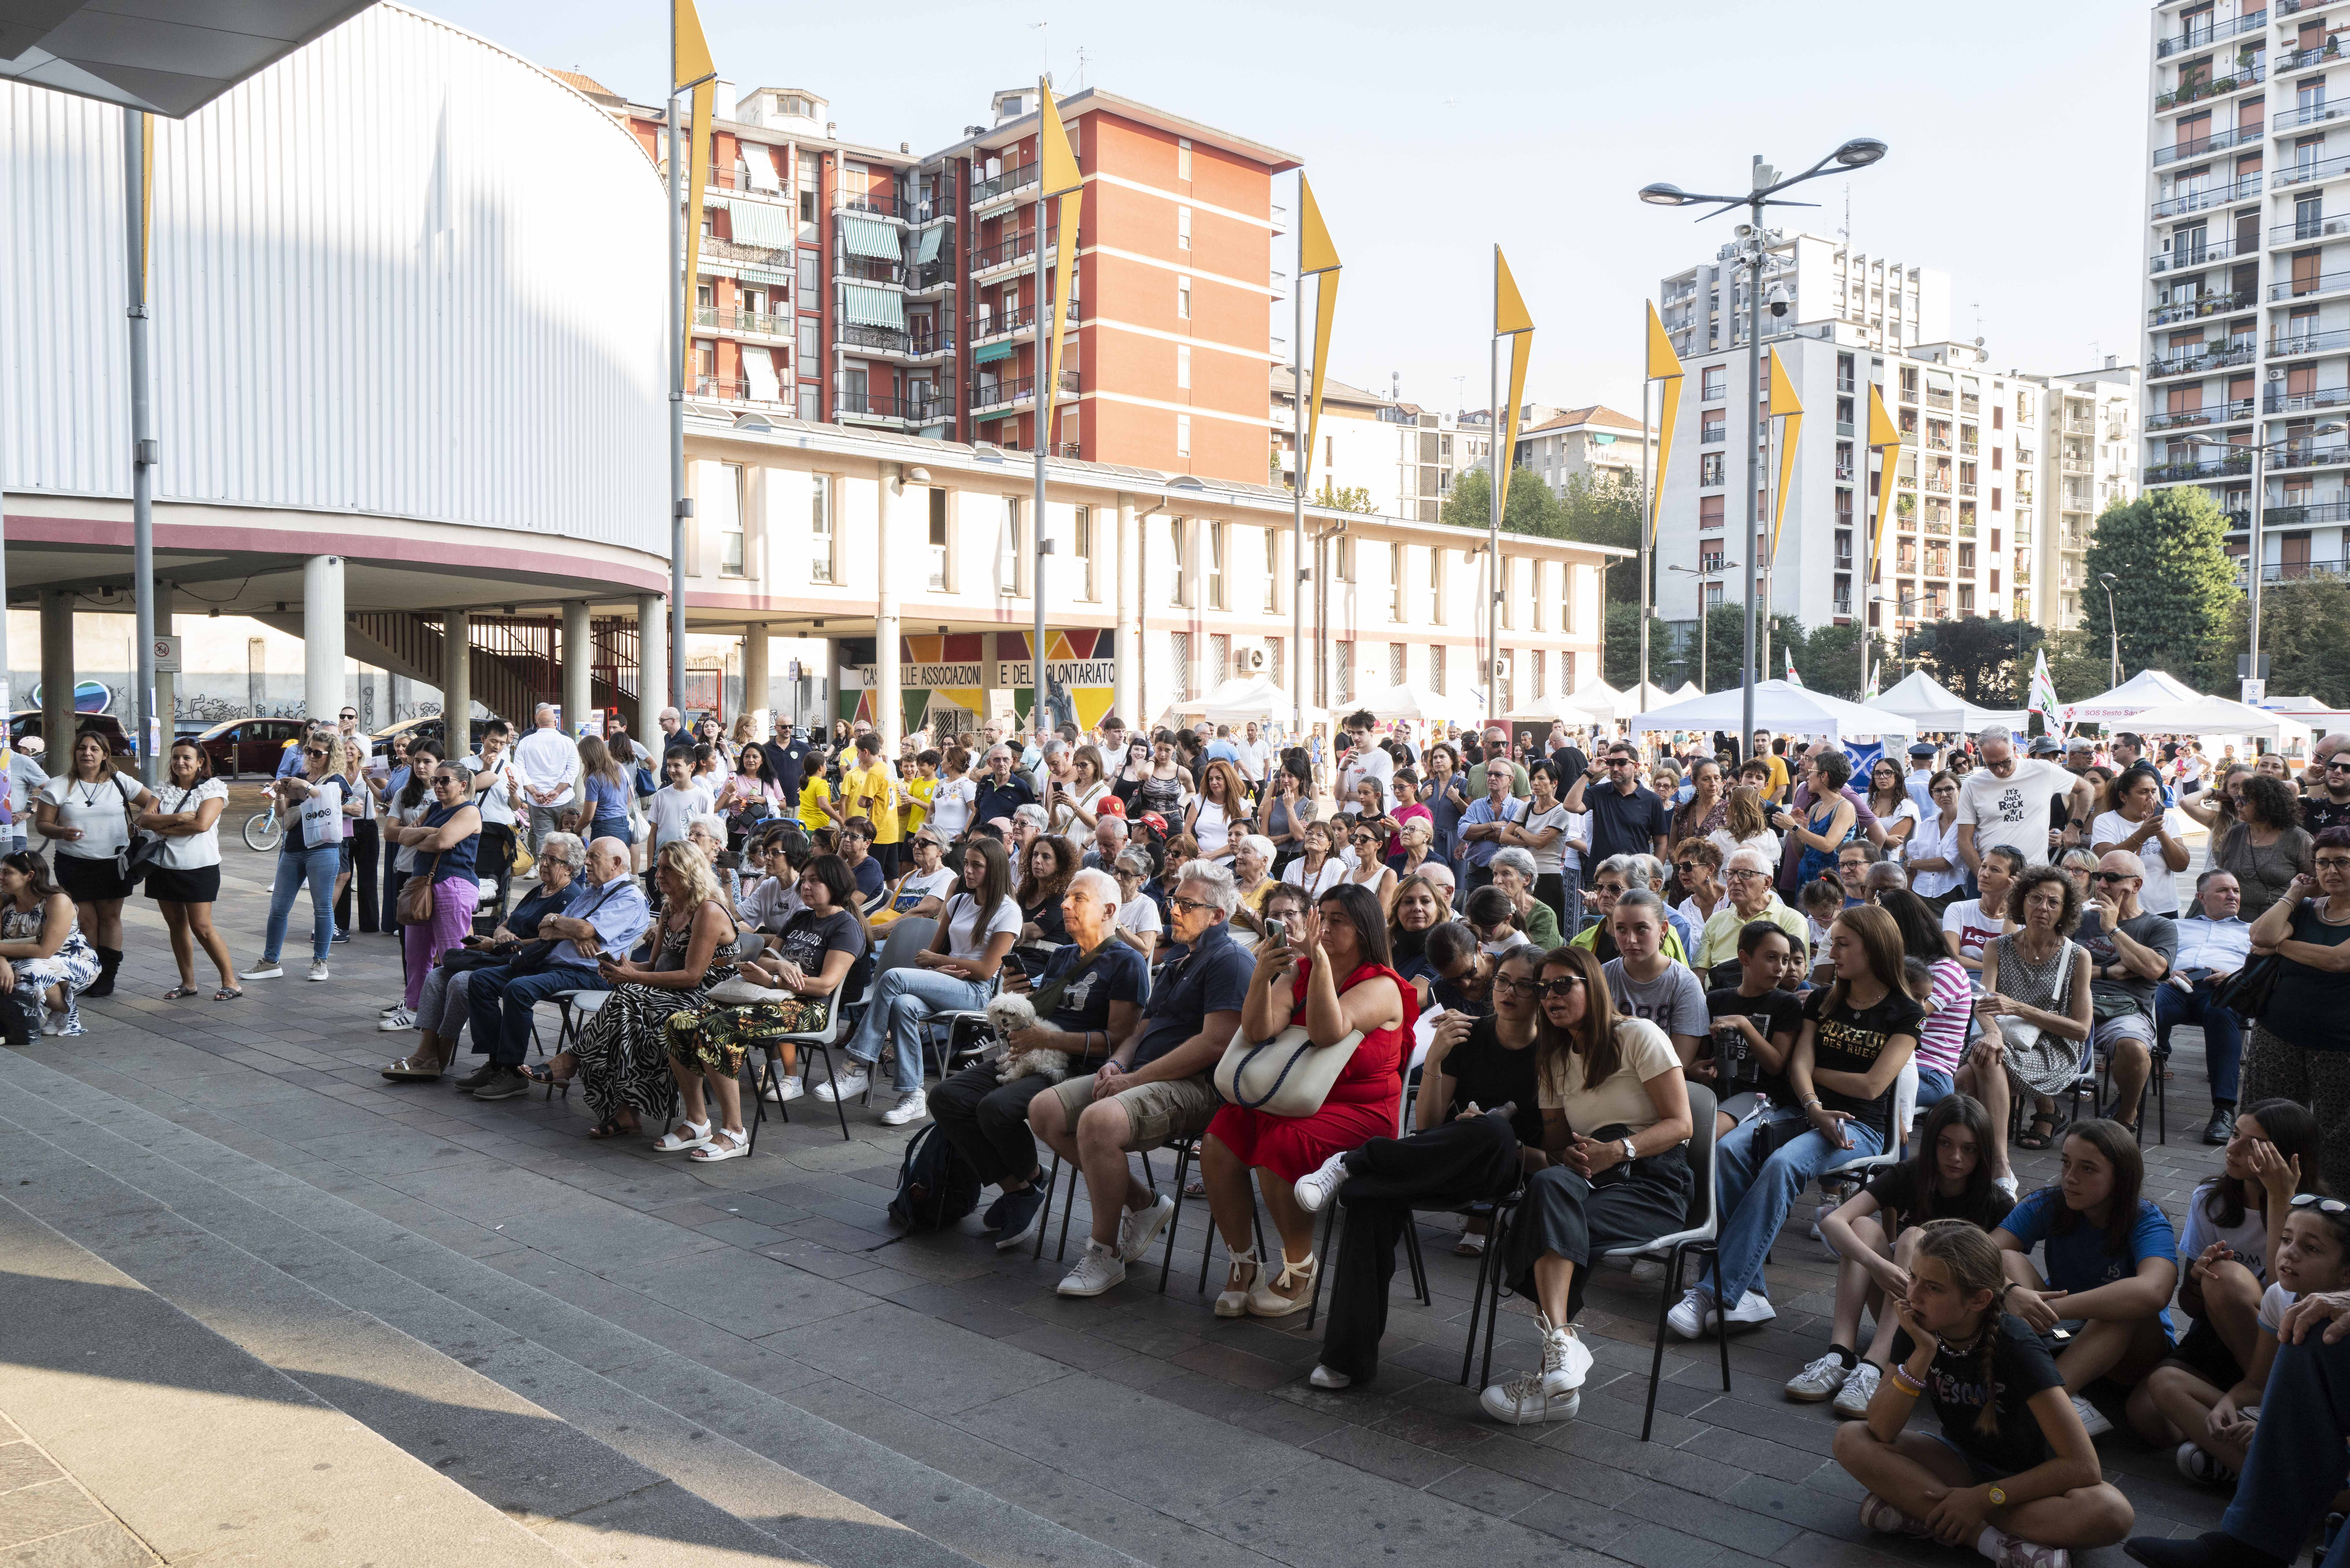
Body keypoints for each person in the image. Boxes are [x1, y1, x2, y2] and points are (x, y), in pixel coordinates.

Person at [1670, 905, 1923, 1340]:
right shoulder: (1825, 1000)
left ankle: (1712, 1290)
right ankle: (1748, 1291)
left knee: (1782, 1164)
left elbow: (1870, 1086)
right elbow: (1796, 1065)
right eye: (1832, 942)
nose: (1831, 951)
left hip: (1856, 1124)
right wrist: (1810, 1104)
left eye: (1842, 943)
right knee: (1728, 1150)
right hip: (1802, 1111)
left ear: (1874, 947)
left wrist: (1808, 1080)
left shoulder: (1905, 1011)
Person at [1465, 943, 1692, 1422]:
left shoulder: (1638, 1035)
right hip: (1589, 1183)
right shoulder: (1552, 1058)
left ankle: (1556, 1376)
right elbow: (1554, 1151)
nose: (1549, 995)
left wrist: (1619, 1149)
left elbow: (1681, 1124)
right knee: (1549, 1188)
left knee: (1549, 1224)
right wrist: (1564, 1151)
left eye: (1562, 984)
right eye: (1542, 987)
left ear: (1593, 983)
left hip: (1652, 1184)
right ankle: (1562, 1352)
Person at [1303, 944, 1548, 1385]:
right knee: (1365, 1197)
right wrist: (1433, 1059)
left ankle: (1356, 1160)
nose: (1508, 992)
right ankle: (1345, 1360)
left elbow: (1553, 1159)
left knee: (1493, 1131)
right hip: (1436, 1161)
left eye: (1524, 985)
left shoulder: (1554, 1052)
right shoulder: (1467, 1034)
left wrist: (1498, 1139)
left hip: (1506, 1172)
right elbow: (1429, 1125)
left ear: (1542, 992)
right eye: (1502, 981)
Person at [1832, 1219, 2134, 1568]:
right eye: (1913, 1277)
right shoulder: (1921, 1325)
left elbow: (2082, 1467)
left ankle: (1922, 1514)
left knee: (2112, 1513)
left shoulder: (2017, 1345)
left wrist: (1984, 1499)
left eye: (1933, 1288)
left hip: (2029, 1487)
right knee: (1850, 1438)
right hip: (1960, 1465)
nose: (1912, 1295)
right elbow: (1881, 1428)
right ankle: (1991, 1543)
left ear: (1979, 1300)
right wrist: (1922, 1355)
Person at [1035, 860, 1254, 1297]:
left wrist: (1133, 1080)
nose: (1174, 910)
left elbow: (1213, 1044)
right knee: (1045, 1110)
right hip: (1145, 1074)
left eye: (1187, 904)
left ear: (1218, 915)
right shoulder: (1178, 959)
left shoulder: (1230, 959)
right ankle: (1143, 1202)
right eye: (1174, 900)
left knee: (1098, 1121)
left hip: (1198, 1086)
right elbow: (1140, 1029)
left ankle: (1105, 1251)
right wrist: (1117, 1064)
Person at [1202, 883, 1412, 1319]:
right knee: (1221, 1134)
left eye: (1339, 920)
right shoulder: (1298, 969)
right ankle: (1242, 1262)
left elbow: (1326, 1032)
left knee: (1282, 1142)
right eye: (1323, 916)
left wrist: (1317, 965)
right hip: (1290, 1094)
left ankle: (1300, 1270)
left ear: (1365, 929)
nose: (1326, 927)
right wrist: (1262, 975)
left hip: (1359, 1111)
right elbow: (1259, 1031)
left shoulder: (1381, 984)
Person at [931, 868, 1147, 1249]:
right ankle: (1022, 1185)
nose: (1065, 904)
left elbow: (1120, 1040)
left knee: (995, 1108)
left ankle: (1024, 1183)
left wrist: (1048, 1038)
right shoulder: (1064, 954)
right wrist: (1022, 1002)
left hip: (1077, 1067)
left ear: (1109, 909)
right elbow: (1042, 1015)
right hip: (1035, 1052)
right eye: (1066, 896)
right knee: (946, 1096)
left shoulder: (1125, 962)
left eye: (1078, 898)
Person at [2127, 1101, 2326, 1479]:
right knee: (2147, 1417)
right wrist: (2195, 1281)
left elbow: (2284, 1293)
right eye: (2235, 1134)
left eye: (2253, 1143)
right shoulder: (2210, 1200)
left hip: (2284, 1352)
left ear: (2287, 1155)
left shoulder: (2318, 1216)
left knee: (2230, 1279)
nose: (2231, 1149)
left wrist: (2280, 1199)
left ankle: (2262, 1468)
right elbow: (2187, 1306)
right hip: (2219, 1343)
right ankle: (2235, 1445)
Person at [1791, 1096, 2016, 1418]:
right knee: (1862, 1228)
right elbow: (1832, 1221)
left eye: (1969, 1149)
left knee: (1914, 1237)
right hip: (1902, 1306)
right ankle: (1840, 1354)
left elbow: (2003, 1279)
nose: (1955, 1157)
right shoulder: (1911, 1175)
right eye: (1945, 1144)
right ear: (1932, 1142)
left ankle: (1877, 1365)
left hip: (1954, 1328)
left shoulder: (1996, 1202)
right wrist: (1877, 1264)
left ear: (1983, 1152)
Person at [658, 852, 868, 1160]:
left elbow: (825, 985)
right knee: (680, 1022)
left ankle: (734, 1132)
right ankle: (697, 1121)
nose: (806, 887)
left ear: (836, 885)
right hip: (772, 998)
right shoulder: (801, 918)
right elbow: (766, 957)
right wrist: (779, 969)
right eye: (805, 880)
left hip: (809, 1010)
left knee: (720, 1029)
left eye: (815, 881)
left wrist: (774, 981)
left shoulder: (846, 927)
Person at [538, 841, 741, 1139]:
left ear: (689, 873)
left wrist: (633, 977)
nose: (658, 875)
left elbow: (693, 977)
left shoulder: (708, 910)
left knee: (629, 999)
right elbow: (655, 965)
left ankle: (574, 1064)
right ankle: (625, 1110)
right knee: (627, 1019)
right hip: (674, 990)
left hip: (710, 995)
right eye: (658, 867)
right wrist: (623, 968)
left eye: (667, 869)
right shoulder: (670, 909)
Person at [1991, 1119, 2179, 1440]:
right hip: (2065, 1336)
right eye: (2066, 1163)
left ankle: (2040, 1405)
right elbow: (1979, 1254)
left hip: (2133, 1355)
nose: (2069, 1178)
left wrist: (2052, 1308)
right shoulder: (2050, 1203)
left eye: (2088, 1169)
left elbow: (2155, 1291)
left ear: (2121, 1177)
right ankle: (2048, 1387)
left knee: (2123, 1306)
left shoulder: (2146, 1219)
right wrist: (2011, 1292)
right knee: (2006, 1260)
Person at [814, 836, 1017, 1116]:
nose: (968, 871)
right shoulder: (958, 902)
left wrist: (938, 962)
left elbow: (985, 970)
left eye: (977, 866)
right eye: (967, 864)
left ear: (995, 869)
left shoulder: (1008, 911)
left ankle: (857, 1064)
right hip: (946, 983)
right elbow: (926, 956)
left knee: (895, 978)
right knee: (903, 1004)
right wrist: (936, 968)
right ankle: (912, 1096)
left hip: (978, 992)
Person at [380, 830, 584, 1076]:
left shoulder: (570, 898)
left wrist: (501, 944)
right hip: (502, 954)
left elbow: (548, 941)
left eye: (553, 860)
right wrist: (499, 937)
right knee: (437, 977)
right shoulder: (538, 890)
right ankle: (425, 1052)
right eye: (543, 857)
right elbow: (505, 923)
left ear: (570, 868)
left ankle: (441, 1055)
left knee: (461, 981)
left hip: (525, 962)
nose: (544, 863)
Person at [2242, 828, 2350, 1183]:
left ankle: (2329, 1213)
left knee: (2337, 1137)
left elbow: (2336, 960)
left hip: (2339, 1046)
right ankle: (2259, 1200)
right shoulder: (2304, 909)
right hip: (2277, 1035)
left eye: (2342, 862)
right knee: (2268, 1125)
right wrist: (2293, 893)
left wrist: (2281, 946)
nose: (2331, 871)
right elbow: (2260, 935)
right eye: (2322, 863)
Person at [32, 728, 155, 998]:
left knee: (110, 919)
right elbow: (42, 824)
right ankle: (91, 972)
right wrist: (61, 832)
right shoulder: (58, 785)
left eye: (94, 749)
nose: (87, 753)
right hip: (74, 864)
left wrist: (139, 824)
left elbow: (154, 803)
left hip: (114, 863)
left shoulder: (121, 781)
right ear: (75, 753)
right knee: (86, 921)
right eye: (82, 748)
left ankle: (108, 976)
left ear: (104, 755)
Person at [2070, 848, 2177, 1137]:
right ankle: (2047, 1113)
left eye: (2112, 878)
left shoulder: (2159, 926)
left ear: (2136, 885)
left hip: (2126, 1011)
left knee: (2133, 1048)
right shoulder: (2078, 919)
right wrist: (2108, 971)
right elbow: (2056, 968)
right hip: (2074, 1004)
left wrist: (2112, 928)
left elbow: (2154, 969)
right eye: (2098, 876)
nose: (2102, 884)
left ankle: (2126, 1115)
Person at [243, 733, 355, 983]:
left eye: (318, 753)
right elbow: (284, 813)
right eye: (309, 750)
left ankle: (320, 962)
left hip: (323, 848)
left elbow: (330, 799)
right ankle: (271, 961)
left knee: (323, 908)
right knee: (278, 908)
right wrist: (282, 793)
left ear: (330, 755)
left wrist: (302, 786)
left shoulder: (336, 780)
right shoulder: (302, 777)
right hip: (293, 848)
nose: (312, 756)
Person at [137, 737, 238, 1001]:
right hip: (163, 866)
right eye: (175, 758)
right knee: (176, 926)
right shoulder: (164, 789)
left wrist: (160, 826)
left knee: (202, 927)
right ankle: (188, 983)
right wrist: (179, 818)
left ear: (200, 763)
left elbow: (202, 825)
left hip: (199, 866)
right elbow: (144, 820)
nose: (180, 762)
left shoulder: (213, 789)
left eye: (187, 758)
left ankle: (231, 982)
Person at [2160, 871, 2256, 1146]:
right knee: (2145, 1007)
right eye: (2223, 890)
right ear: (2201, 898)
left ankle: (2224, 1110)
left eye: (2236, 890)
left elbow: (2263, 971)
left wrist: (2234, 976)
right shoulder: (2176, 926)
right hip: (2176, 986)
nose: (2232, 896)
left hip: (2223, 989)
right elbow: (2154, 958)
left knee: (2221, 1012)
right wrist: (2166, 971)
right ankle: (2131, 1093)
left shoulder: (2251, 930)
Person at [384, 760, 484, 1013]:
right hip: (423, 887)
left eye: (444, 781)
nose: (438, 785)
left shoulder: (469, 811)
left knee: (453, 955)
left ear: (462, 785)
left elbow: (441, 843)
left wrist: (429, 837)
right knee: (416, 956)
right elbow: (403, 837)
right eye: (435, 781)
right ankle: (414, 1009)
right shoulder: (435, 810)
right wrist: (432, 832)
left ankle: (457, 1012)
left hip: (453, 885)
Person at [1957, 725, 2095, 882]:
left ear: (2015, 749)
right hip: (1990, 877)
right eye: (1991, 765)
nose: (2000, 770)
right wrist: (1981, 875)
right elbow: (1964, 840)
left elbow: (2087, 789)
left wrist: (2075, 826)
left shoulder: (2043, 771)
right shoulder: (1973, 784)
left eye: (2005, 762)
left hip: (2033, 876)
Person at [1882, 888, 1971, 1109]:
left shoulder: (1946, 970)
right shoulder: (1899, 966)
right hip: (1893, 1064)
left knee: (1879, 1098)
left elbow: (1905, 1019)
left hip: (1930, 1073)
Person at [1602, 889, 1707, 1068]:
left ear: (1663, 929)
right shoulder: (1603, 976)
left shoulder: (1685, 983)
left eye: (1641, 928)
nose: (1631, 940)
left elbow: (1677, 1062)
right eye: (1621, 929)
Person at [0, 851, 101, 1035]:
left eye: (8, 873)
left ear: (29, 876)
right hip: (21, 957)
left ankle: (64, 1012)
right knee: (19, 967)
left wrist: (4, 957)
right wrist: (2, 962)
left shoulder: (57, 901)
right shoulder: (3, 901)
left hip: (74, 961)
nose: (1, 877)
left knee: (28, 969)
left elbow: (45, 950)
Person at [2214, 773, 2316, 924]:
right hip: (2232, 924)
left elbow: (2316, 886)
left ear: (2265, 804)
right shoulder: (2235, 834)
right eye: (2238, 798)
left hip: (2279, 925)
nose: (2238, 805)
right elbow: (2223, 874)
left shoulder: (2298, 839)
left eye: (2245, 800)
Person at [2092, 768, 2191, 918]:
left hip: (2163, 910)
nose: (2151, 798)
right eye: (2143, 792)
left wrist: (2160, 832)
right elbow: (2105, 857)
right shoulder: (2106, 821)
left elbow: (2181, 865)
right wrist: (2143, 833)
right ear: (2124, 798)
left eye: (2154, 791)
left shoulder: (2168, 821)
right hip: (2122, 910)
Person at [1564, 742, 1673, 876]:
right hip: (1601, 877)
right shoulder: (1598, 792)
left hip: (1635, 878)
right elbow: (1570, 805)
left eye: (1622, 763)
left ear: (1636, 767)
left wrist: (1653, 875)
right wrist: (1589, 773)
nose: (1615, 768)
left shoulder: (1651, 800)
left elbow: (1661, 843)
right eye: (1611, 763)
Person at [1694, 846, 1810, 972]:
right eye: (1730, 874)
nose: (1735, 880)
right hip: (1715, 990)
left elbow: (1793, 973)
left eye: (1745, 874)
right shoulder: (1715, 921)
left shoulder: (1791, 920)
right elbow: (1700, 971)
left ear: (1767, 883)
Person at [1501, 761, 1575, 928]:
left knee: (1548, 928)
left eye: (1541, 778)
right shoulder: (1528, 807)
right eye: (1533, 778)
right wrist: (1530, 839)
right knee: (1523, 927)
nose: (1536, 783)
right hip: (1525, 877)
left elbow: (1541, 844)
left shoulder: (1561, 811)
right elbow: (1504, 837)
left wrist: (1520, 829)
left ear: (1554, 783)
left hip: (1549, 876)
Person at [1944, 846, 2026, 973]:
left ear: (2013, 881)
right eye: (1984, 866)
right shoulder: (1958, 909)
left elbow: (2008, 961)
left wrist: (2013, 905)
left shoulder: (2022, 921)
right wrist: (1991, 968)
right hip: (1962, 981)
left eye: (1995, 870)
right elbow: (1951, 958)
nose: (1984, 874)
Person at [1456, 759, 1525, 897]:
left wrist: (1481, 834)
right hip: (1478, 872)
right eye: (1490, 774)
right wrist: (1493, 826)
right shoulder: (1477, 805)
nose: (1492, 778)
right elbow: (1464, 831)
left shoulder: (1520, 807)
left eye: (1498, 775)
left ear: (1510, 780)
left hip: (1510, 874)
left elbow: (1515, 837)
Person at [1907, 771, 1968, 907]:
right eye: (1938, 791)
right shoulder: (1926, 825)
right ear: (1933, 796)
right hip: (1920, 891)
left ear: (1960, 791)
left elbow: (1946, 863)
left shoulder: (1966, 825)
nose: (1944, 795)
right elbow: (1915, 853)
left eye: (1949, 789)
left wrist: (1913, 864)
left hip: (1950, 892)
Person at [1708, 783, 1782, 872]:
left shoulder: (1718, 836)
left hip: (1728, 885)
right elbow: (1775, 861)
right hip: (1759, 885)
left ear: (1732, 807)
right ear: (1759, 808)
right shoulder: (1770, 836)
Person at [1108, 849, 1163, 963]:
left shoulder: (1147, 906)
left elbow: (1144, 951)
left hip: (1124, 968)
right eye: (1116, 870)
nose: (1118, 877)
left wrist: (1116, 924)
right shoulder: (1103, 897)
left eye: (1126, 874)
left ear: (1142, 879)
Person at [1337, 711, 1395, 815]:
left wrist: (1349, 796)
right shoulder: (1348, 758)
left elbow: (1375, 794)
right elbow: (1340, 796)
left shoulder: (1383, 757)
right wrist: (1344, 767)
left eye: (1360, 733)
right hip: (1350, 820)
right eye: (1353, 733)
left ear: (1371, 731)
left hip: (1374, 821)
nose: (1356, 738)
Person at [1280, 818, 1348, 899]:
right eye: (1309, 834)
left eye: (1320, 835)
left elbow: (1333, 900)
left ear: (1329, 844)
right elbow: (1284, 896)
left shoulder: (1338, 866)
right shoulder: (1293, 866)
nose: (1313, 837)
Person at [1867, 755, 1922, 853]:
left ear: (1897, 775)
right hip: (1864, 861)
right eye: (1877, 773)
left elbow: (1893, 844)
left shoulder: (1908, 807)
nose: (1882, 777)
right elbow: (1854, 831)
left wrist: (1865, 834)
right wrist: (1887, 839)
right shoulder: (1863, 799)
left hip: (1893, 862)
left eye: (1888, 773)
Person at [2303, 751, 2350, 837]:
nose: (2338, 771)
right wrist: (2301, 781)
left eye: (2347, 769)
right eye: (2333, 766)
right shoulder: (2310, 806)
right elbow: (2272, 801)